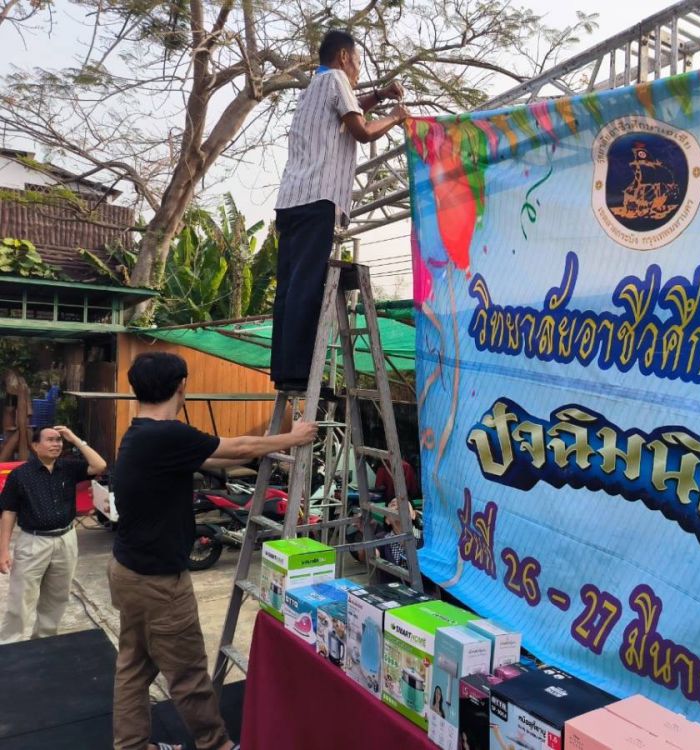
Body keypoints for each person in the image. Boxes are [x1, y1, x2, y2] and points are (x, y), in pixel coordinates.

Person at [109, 352, 318, 750]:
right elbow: (238, 446)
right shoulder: (167, 434)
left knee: (133, 666)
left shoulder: (142, 434)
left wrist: (266, 445)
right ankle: (217, 745)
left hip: (128, 571)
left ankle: (132, 745)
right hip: (159, 583)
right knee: (188, 674)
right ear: (181, 386)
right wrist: (293, 437)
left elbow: (213, 453)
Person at [270, 28, 409, 392]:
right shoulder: (337, 79)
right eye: (358, 62)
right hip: (318, 199)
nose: (358, 70)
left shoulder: (312, 88)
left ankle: (284, 371)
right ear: (344, 57)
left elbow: (350, 110)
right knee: (307, 286)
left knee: (289, 287)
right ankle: (300, 373)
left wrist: (379, 95)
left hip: (291, 200)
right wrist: (395, 117)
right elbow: (362, 131)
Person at [0, 425, 106, 643]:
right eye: (50, 440)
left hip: (66, 540)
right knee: (21, 598)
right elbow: (8, 512)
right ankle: (9, 646)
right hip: (33, 542)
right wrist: (3, 551)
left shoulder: (68, 468)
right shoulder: (20, 475)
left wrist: (75, 438)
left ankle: (44, 641)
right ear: (35, 445)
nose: (56, 444)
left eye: (59, 440)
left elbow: (100, 465)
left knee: (57, 597)